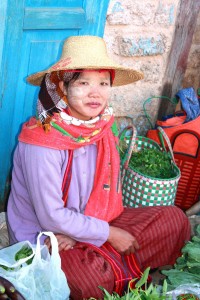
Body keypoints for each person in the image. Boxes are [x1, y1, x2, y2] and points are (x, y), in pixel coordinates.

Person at [7, 35, 191, 299]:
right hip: (46, 234)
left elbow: (104, 193)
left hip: (93, 219)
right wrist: (109, 233)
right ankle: (120, 265)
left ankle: (112, 262)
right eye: (83, 83)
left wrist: (90, 231)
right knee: (90, 282)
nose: (96, 93)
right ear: (62, 87)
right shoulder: (43, 141)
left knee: (175, 220)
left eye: (103, 83)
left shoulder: (101, 126)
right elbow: (51, 216)